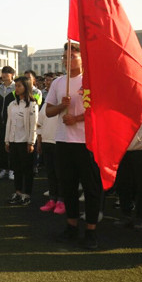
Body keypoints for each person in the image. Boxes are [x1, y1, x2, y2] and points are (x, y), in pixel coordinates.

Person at [46, 42, 102, 250]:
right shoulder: (58, 82)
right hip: (63, 141)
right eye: (65, 56)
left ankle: (91, 231)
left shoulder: (91, 81)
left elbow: (98, 110)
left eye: (72, 56)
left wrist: (76, 118)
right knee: (67, 186)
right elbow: (48, 111)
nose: (67, 60)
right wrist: (62, 105)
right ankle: (71, 226)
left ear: (82, 58)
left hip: (86, 143)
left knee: (91, 187)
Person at [5, 76, 39, 206]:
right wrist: (7, 140)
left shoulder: (32, 105)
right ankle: (18, 192)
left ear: (26, 87)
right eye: (16, 86)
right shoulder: (12, 104)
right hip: (13, 141)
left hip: (25, 142)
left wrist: (31, 142)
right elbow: (9, 123)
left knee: (27, 170)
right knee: (16, 169)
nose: (17, 88)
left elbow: (33, 125)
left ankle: (27, 194)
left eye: (19, 86)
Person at [37, 96, 64, 214]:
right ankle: (52, 199)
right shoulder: (46, 105)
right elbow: (40, 123)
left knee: (60, 173)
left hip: (59, 142)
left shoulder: (64, 104)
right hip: (46, 142)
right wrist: (39, 141)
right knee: (50, 172)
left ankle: (62, 200)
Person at [0, 66, 16, 180]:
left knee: (11, 145)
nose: (4, 75)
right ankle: (4, 168)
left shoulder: (16, 88)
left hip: (12, 121)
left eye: (7, 73)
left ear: (12, 75)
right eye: (3, 73)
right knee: (1, 145)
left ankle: (12, 169)